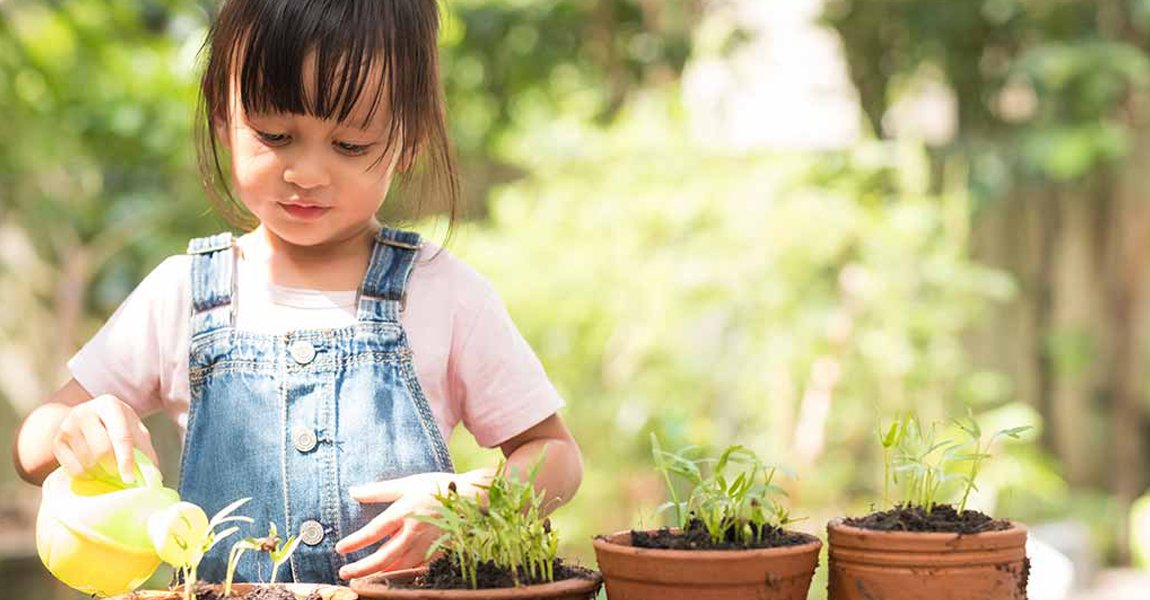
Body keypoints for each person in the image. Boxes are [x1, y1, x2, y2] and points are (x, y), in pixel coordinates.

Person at [12, 0, 583, 585]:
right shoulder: (184, 292)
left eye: (351, 145)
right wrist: (76, 430)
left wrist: (469, 500)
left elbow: (555, 458)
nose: (307, 173)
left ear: (409, 139)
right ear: (221, 117)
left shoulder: (443, 295)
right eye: (275, 135)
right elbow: (33, 445)